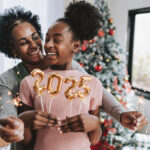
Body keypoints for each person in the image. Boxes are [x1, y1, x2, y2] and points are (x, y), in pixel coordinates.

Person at [0, 5, 147, 149]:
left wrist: (121, 113)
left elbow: (98, 92)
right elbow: (7, 117)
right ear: (13, 50)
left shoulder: (71, 67)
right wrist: (16, 123)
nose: (34, 45)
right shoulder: (9, 80)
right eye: (23, 42)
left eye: (35, 37)